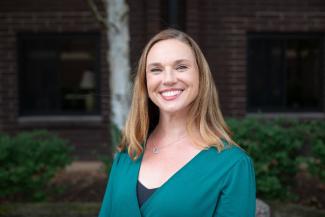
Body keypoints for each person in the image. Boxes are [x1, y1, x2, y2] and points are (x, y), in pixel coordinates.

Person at [98, 28, 256, 217]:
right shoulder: (129, 153)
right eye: (156, 70)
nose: (168, 79)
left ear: (200, 76)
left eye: (181, 67)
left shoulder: (233, 165)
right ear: (145, 82)